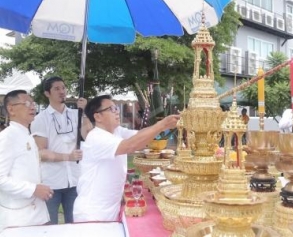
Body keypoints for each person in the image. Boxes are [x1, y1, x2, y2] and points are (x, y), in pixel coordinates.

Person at [73, 95, 179, 235]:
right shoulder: (96, 137)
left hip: (109, 210)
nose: (117, 111)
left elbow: (142, 139)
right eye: (111, 109)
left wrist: (168, 127)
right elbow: (130, 146)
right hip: (93, 213)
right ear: (98, 117)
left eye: (116, 107)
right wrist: (162, 125)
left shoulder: (116, 131)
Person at [30, 76, 89, 224]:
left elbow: (88, 136)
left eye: (63, 88)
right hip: (51, 183)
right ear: (47, 93)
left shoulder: (77, 114)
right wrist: (67, 157)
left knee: (75, 225)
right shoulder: (40, 119)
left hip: (75, 180)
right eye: (56, 88)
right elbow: (40, 153)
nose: (62, 91)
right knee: (50, 227)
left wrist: (85, 112)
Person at [0, 90, 52, 232]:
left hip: (36, 214)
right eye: (27, 103)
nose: (32, 107)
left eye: (33, 103)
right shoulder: (7, 137)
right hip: (18, 217)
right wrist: (33, 189)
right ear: (11, 109)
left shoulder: (26, 135)